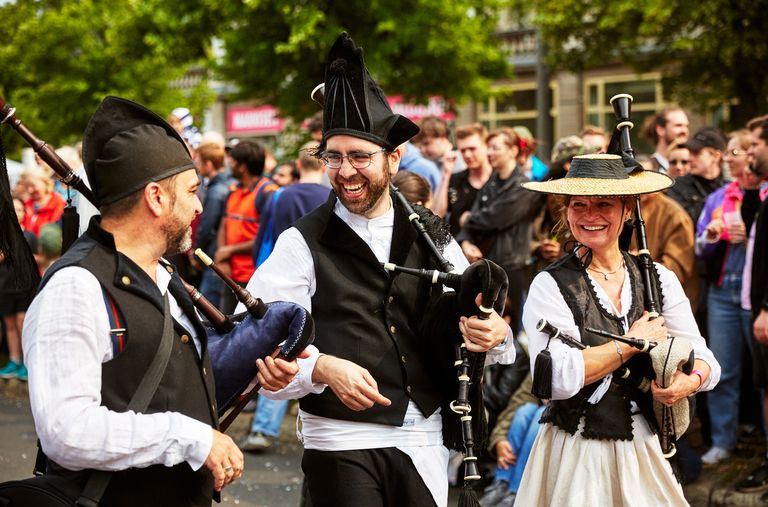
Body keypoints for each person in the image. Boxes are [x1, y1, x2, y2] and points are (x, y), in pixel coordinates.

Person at [240, 33, 514, 506]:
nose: (345, 171)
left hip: (424, 436)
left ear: (393, 158)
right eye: (334, 157)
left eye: (360, 157)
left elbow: (474, 320)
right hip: (340, 437)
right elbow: (258, 337)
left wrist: (495, 334)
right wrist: (321, 367)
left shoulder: (431, 234)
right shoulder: (302, 241)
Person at [22, 96, 304, 506]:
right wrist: (192, 438)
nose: (199, 206)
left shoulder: (162, 274)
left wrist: (260, 366)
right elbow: (67, 432)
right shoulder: (75, 288)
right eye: (190, 191)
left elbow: (173, 377)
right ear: (155, 197)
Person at [517, 154, 720, 506]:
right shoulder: (549, 285)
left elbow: (704, 358)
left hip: (646, 445)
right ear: (566, 211)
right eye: (579, 204)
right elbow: (555, 378)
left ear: (627, 211)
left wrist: (688, 383)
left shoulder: (657, 278)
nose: (590, 215)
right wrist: (631, 343)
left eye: (604, 204)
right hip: (578, 448)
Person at [456, 127, 545, 334]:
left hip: (512, 270)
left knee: (510, 333)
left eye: (495, 148)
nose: (490, 153)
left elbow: (493, 219)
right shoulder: (491, 182)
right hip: (487, 267)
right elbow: (474, 221)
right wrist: (466, 242)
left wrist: (467, 218)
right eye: (488, 147)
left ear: (513, 151)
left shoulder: (525, 186)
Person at [216, 140, 277, 314]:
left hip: (254, 277)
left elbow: (265, 238)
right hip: (230, 275)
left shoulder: (267, 193)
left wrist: (229, 251)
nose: (229, 164)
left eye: (232, 161)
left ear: (242, 167)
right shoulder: (233, 190)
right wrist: (223, 258)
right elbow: (224, 224)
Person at [192, 142, 234, 308]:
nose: (196, 165)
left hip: (214, 257)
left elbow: (207, 227)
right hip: (223, 257)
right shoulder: (229, 184)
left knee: (207, 308)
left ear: (208, 164)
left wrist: (197, 253)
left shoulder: (216, 191)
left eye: (198, 161)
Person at [432, 123, 493, 236]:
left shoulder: (498, 179)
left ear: (486, 146)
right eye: (463, 150)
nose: (467, 155)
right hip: (458, 244)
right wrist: (446, 174)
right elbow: (437, 214)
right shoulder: (455, 179)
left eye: (472, 149)